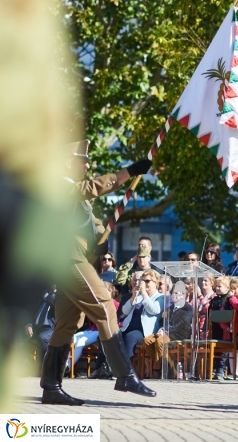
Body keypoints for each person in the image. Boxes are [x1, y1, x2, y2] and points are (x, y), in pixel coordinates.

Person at [42, 141, 155, 405]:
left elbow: (91, 224)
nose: (87, 164)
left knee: (67, 325)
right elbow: (90, 188)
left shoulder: (75, 197)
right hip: (68, 259)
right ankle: (124, 374)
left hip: (77, 258)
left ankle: (50, 386)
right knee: (106, 308)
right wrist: (127, 172)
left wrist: (99, 239)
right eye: (82, 160)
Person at [140, 281, 193, 378]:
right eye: (174, 293)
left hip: (178, 335)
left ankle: (157, 370)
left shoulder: (188, 308)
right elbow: (163, 321)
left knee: (160, 341)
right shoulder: (170, 307)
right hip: (166, 333)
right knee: (146, 341)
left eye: (178, 293)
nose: (175, 295)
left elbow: (181, 323)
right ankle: (164, 367)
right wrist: (162, 329)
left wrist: (166, 331)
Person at [119, 268, 165, 363]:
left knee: (130, 337)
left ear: (155, 283)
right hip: (127, 327)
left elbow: (154, 310)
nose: (144, 283)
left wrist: (144, 293)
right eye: (142, 281)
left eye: (147, 281)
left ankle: (128, 371)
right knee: (111, 338)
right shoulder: (138, 295)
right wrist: (133, 297)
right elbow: (125, 311)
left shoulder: (160, 297)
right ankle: (105, 368)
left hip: (144, 330)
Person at [27, 287, 57, 374]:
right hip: (36, 328)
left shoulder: (60, 294)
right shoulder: (41, 297)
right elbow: (30, 312)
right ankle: (28, 366)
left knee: (42, 338)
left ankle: (42, 369)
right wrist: (28, 325)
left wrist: (45, 295)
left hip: (50, 328)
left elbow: (55, 303)